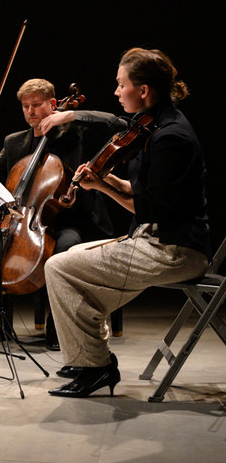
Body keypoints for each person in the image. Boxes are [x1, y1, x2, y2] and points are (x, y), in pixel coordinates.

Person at [45, 48, 210, 398]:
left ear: (144, 90)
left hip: (174, 250)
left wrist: (102, 187)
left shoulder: (171, 138)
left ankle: (96, 366)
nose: (117, 92)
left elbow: (150, 209)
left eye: (122, 85)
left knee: (59, 267)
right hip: (155, 240)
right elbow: (141, 190)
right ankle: (90, 358)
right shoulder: (155, 127)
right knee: (69, 264)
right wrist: (103, 181)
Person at [0, 78, 124, 348]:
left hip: (70, 221)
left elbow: (118, 123)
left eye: (37, 105)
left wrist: (70, 115)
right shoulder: (14, 143)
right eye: (26, 106)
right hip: (26, 222)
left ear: (53, 104)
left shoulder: (75, 135)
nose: (31, 111)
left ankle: (57, 325)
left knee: (64, 249)